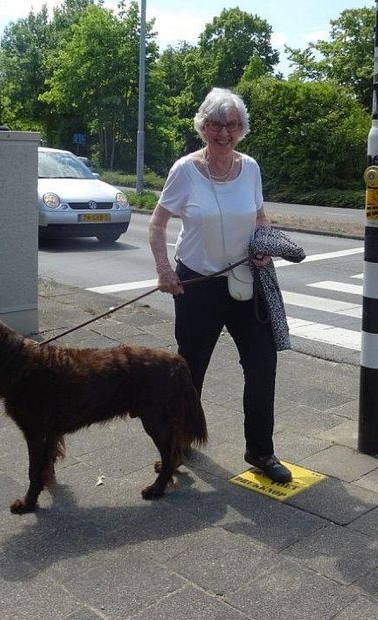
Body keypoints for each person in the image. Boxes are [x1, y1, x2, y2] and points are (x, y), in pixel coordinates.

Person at [148, 87, 292, 484]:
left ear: (242, 128)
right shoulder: (185, 171)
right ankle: (177, 443)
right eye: (215, 124)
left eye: (232, 125)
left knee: (263, 366)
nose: (224, 132)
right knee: (190, 371)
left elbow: (260, 216)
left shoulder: (251, 168)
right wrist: (164, 270)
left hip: (247, 283)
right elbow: (157, 224)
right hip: (198, 284)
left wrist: (264, 244)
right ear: (203, 126)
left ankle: (261, 450)